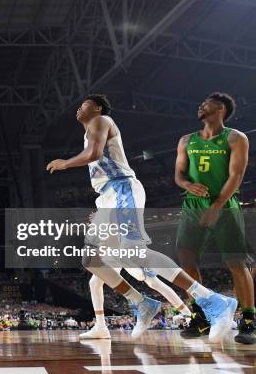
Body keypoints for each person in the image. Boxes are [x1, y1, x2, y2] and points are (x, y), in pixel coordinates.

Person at [45, 94, 238, 342]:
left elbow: (94, 153)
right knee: (92, 259)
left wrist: (65, 163)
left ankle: (213, 300)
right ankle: (142, 303)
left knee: (133, 253)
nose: (79, 107)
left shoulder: (101, 120)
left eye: (84, 104)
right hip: (107, 196)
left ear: (97, 107)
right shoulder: (90, 130)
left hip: (122, 188)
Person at [174, 92, 254, 344]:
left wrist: (217, 205)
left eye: (205, 103)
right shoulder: (186, 140)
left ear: (220, 109)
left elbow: (236, 176)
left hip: (225, 203)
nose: (200, 106)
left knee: (235, 263)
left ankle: (249, 320)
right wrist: (188, 185)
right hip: (192, 205)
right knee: (185, 259)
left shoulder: (235, 137)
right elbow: (179, 175)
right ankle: (202, 315)